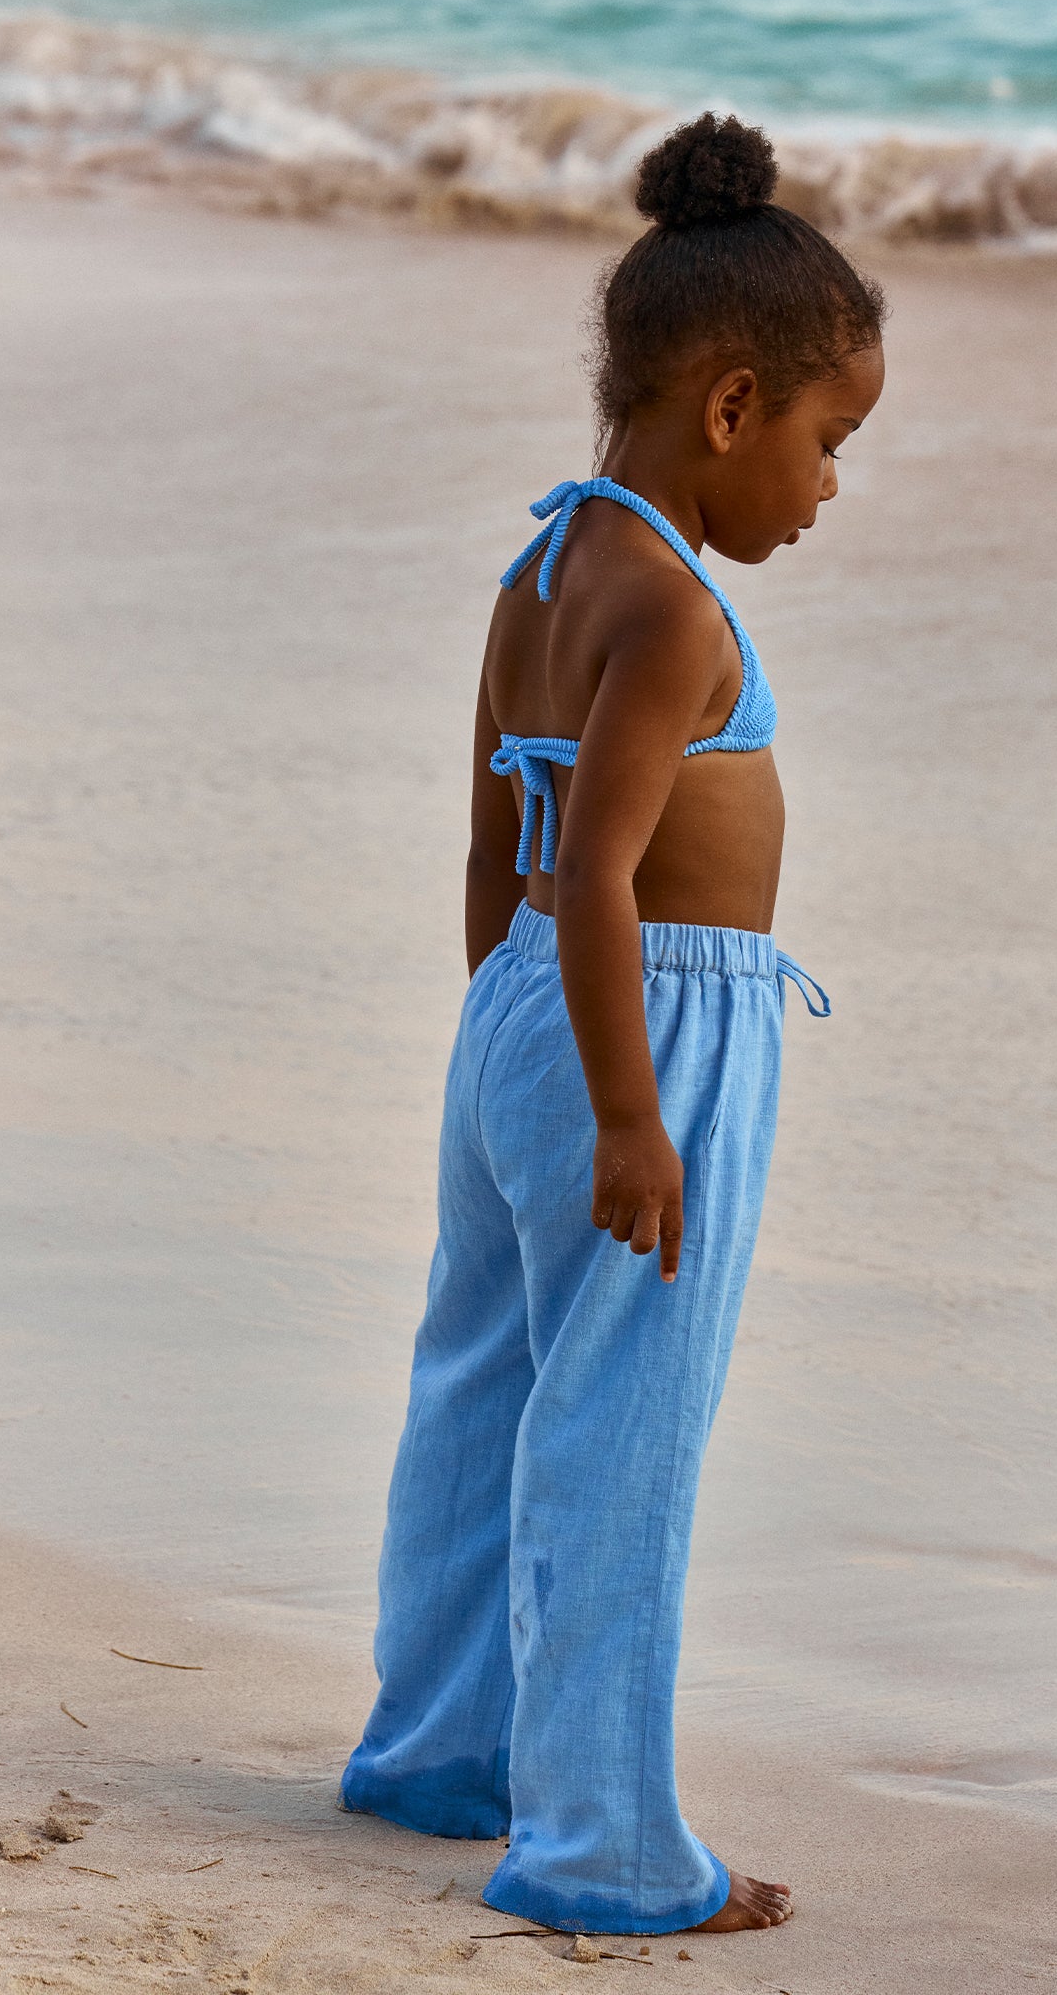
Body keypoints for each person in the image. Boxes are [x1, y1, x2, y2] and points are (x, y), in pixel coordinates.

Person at [340, 110, 887, 1939]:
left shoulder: (544, 572)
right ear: (731, 409)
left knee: (479, 1388)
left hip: (518, 1022)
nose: (826, 488)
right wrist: (631, 1114)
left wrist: (499, 1048)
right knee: (618, 1435)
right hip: (647, 1028)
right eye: (828, 442)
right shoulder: (671, 609)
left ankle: (435, 1751)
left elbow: (501, 841)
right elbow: (606, 883)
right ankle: (601, 1849)